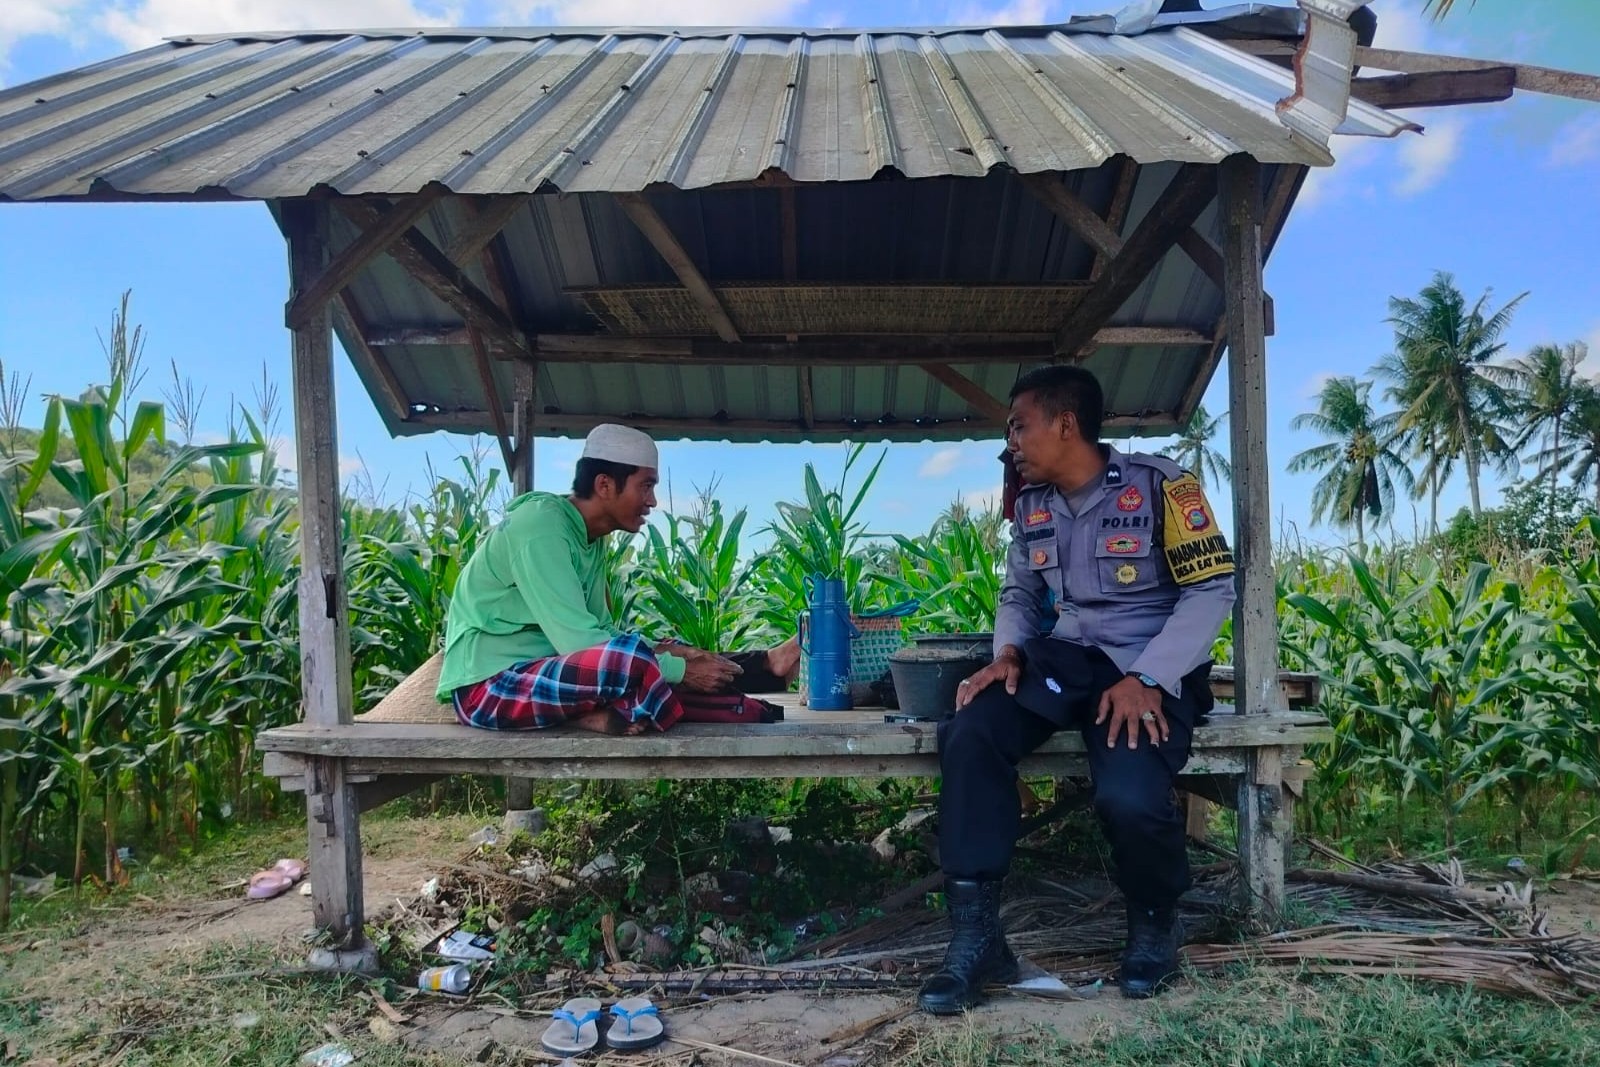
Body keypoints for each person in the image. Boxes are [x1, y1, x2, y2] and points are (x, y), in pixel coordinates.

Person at [917, 366, 1236, 1013]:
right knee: (973, 730)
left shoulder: (1160, 486)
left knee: (1127, 792)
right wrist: (1006, 653)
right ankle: (977, 939)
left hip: (1150, 666)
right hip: (1064, 661)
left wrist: (1148, 677)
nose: (1011, 440)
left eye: (1019, 424)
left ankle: (1154, 924)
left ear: (1066, 424)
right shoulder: (1032, 504)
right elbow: (1020, 591)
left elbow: (1210, 591)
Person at [435, 423, 799, 734]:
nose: (653, 501)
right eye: (645, 486)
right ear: (605, 485)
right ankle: (598, 714)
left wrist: (675, 654)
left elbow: (602, 633)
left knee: (664, 651)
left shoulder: (591, 541)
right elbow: (581, 645)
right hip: (491, 686)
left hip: (554, 674)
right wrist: (680, 670)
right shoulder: (541, 528)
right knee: (634, 662)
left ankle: (763, 668)